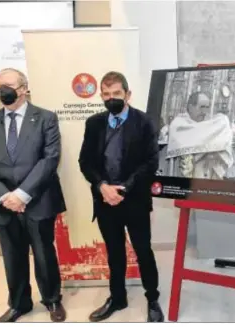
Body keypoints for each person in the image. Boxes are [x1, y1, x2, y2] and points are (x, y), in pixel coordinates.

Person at [0, 68, 67, 322]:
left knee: (44, 253)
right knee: (12, 256)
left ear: (24, 88)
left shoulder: (46, 118)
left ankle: (52, 299)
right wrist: (5, 197)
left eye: (9, 85)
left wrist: (22, 195)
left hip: (38, 200)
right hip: (2, 204)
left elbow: (50, 159)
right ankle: (19, 303)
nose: (3, 90)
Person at [78, 71, 164, 322]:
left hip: (134, 199)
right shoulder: (94, 123)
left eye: (116, 93)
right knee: (114, 252)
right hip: (105, 200)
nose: (111, 98)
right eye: (105, 94)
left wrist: (124, 188)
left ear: (127, 94)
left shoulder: (145, 122)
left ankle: (152, 298)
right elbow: (85, 161)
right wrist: (102, 185)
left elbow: (150, 162)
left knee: (143, 250)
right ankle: (117, 297)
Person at [165, 91, 234, 180]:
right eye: (201, 107)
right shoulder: (179, 124)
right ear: (190, 107)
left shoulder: (207, 125)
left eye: (207, 107)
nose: (204, 111)